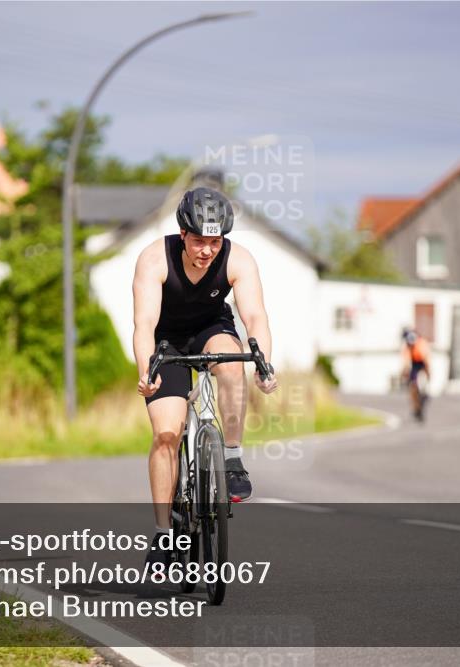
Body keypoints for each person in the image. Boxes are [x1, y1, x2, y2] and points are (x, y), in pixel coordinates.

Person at [132, 186, 278, 572]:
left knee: (232, 365)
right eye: (198, 241)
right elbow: (144, 323)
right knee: (166, 436)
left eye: (215, 242)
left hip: (211, 329)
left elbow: (256, 317)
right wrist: (145, 371)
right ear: (182, 234)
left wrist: (263, 363)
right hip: (166, 343)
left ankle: (231, 459)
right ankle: (164, 535)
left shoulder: (238, 259)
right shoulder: (153, 259)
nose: (206, 251)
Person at [400, 328, 430, 420]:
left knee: (421, 385)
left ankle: (422, 398)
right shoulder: (407, 347)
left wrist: (428, 372)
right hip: (414, 366)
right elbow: (406, 363)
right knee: (413, 387)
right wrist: (403, 373)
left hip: (421, 365)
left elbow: (426, 360)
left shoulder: (421, 345)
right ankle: (416, 406)